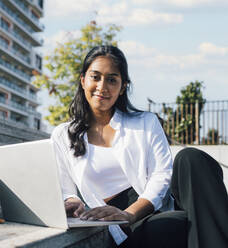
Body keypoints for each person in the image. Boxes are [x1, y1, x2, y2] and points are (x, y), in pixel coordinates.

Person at [51, 45, 228, 248]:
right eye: (95, 77)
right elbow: (67, 189)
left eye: (111, 79)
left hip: (149, 207)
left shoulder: (145, 122)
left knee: (191, 158)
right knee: (169, 228)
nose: (102, 86)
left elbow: (162, 175)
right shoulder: (62, 135)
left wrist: (130, 213)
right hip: (115, 223)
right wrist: (72, 201)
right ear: (83, 80)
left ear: (123, 86)